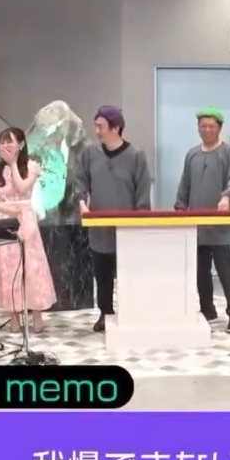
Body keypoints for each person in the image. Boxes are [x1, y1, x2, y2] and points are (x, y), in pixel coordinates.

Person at [74, 105, 152, 332]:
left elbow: (143, 192)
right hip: (99, 227)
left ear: (116, 128)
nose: (97, 131)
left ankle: (132, 312)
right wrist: (82, 202)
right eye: (96, 126)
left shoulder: (136, 156)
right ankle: (105, 313)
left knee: (129, 274)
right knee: (102, 274)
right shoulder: (90, 154)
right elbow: (80, 181)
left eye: (101, 126)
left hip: (127, 228)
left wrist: (140, 222)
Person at [174, 107, 230, 333]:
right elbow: (185, 184)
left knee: (225, 270)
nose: (206, 130)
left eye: (211, 126)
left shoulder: (228, 154)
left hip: (219, 225)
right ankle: (207, 310)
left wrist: (227, 197)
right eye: (203, 126)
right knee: (200, 271)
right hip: (197, 224)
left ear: (219, 128)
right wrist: (180, 206)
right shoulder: (192, 155)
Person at [0, 127, 57, 333]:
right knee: (8, 268)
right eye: (2, 141)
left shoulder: (31, 166)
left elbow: (22, 187)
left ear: (21, 144)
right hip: (3, 220)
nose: (5, 145)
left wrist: (13, 163)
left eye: (10, 141)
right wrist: (5, 208)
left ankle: (37, 313)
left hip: (25, 219)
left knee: (31, 267)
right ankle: (14, 315)